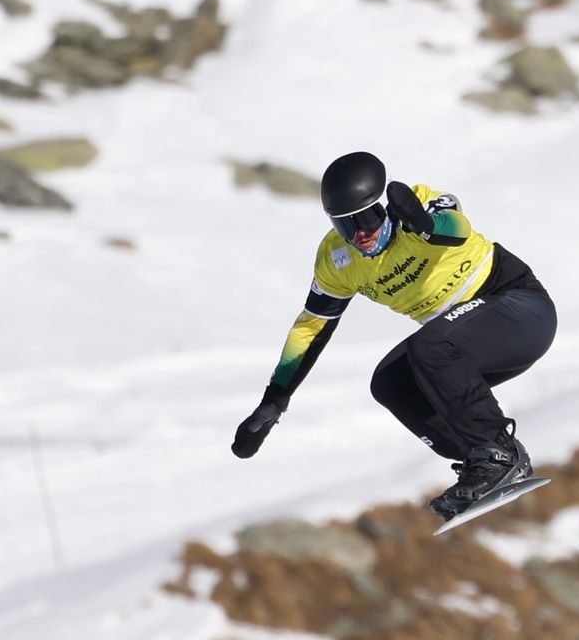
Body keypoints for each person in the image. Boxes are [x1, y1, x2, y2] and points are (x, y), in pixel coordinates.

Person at [230, 151, 556, 524]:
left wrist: (423, 224)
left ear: (383, 206)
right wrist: (275, 400)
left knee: (428, 347)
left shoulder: (416, 205)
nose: (361, 234)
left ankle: (498, 454)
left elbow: (456, 228)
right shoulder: (338, 259)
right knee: (390, 383)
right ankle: (479, 463)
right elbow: (311, 327)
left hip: (520, 309)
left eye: (367, 218)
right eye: (347, 226)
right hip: (469, 340)